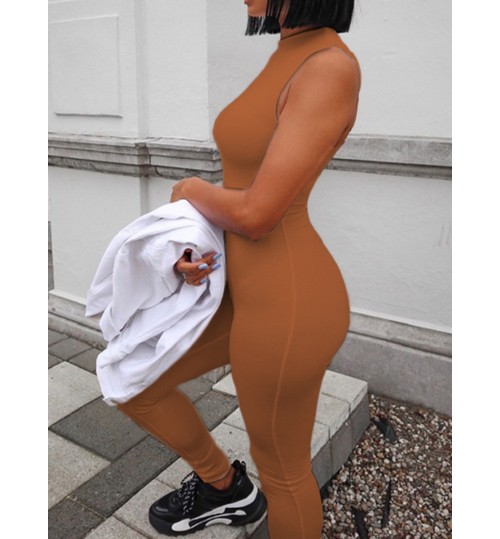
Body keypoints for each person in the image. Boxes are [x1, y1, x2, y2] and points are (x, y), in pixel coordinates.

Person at [116, 0, 361, 537]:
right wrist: (197, 248)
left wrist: (189, 190)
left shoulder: (329, 67)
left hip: (288, 301)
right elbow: (244, 192)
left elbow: (258, 213)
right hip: (236, 286)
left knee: (283, 472)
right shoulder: (288, 51)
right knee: (132, 379)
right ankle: (223, 487)